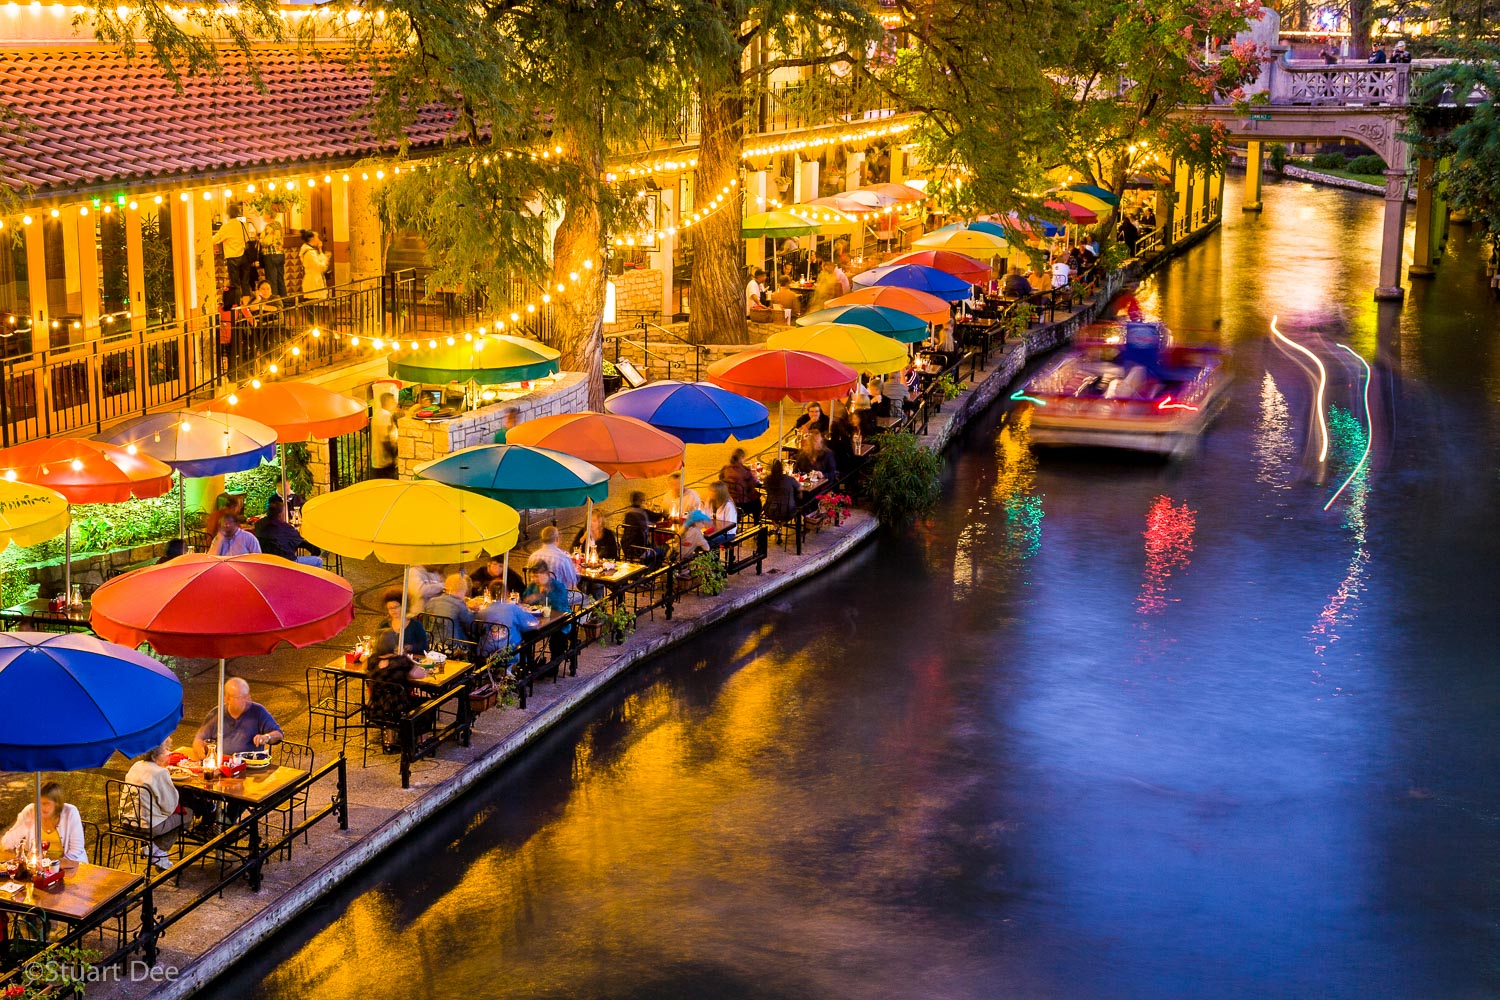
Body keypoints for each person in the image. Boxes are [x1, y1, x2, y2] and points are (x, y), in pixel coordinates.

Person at [120, 743, 189, 869]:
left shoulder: (136, 766)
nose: (169, 753)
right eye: (165, 750)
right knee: (187, 814)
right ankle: (157, 849)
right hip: (148, 824)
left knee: (174, 817)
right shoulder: (160, 772)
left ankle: (157, 852)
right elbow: (170, 807)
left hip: (127, 820)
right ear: (153, 756)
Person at [365, 630, 428, 752]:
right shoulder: (401, 662)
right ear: (394, 644)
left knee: (388, 698)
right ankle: (422, 742)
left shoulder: (372, 661)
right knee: (425, 704)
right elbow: (421, 674)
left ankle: (389, 741)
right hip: (399, 709)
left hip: (376, 708)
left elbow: (365, 670)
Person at [192, 678, 283, 757]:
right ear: (227, 699)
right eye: (240, 697)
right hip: (221, 765)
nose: (246, 700)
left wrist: (267, 737)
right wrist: (201, 751)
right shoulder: (216, 713)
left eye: (246, 696)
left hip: (249, 768)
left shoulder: (258, 711)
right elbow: (198, 739)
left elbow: (279, 734)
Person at [2, 781, 87, 863]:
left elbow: (76, 850)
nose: (41, 807)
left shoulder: (70, 812)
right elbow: (6, 843)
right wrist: (25, 824)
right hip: (37, 867)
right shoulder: (30, 811)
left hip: (69, 867)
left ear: (57, 804)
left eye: (46, 804)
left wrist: (51, 865)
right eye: (38, 803)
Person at [254, 496, 321, 566]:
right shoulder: (286, 528)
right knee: (318, 561)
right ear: (280, 514)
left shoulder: (259, 524)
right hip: (286, 563)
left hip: (267, 562)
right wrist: (315, 550)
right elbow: (299, 542)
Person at [213, 205, 257, 298]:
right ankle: (246, 306)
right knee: (245, 282)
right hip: (244, 256)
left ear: (227, 215)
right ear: (238, 213)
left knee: (235, 284)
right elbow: (247, 236)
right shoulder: (242, 224)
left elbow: (214, 240)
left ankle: (237, 305)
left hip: (233, 258)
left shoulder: (226, 227)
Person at [424, 573, 476, 640]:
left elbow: (425, 625)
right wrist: (475, 613)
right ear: (462, 590)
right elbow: (471, 627)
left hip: (431, 643)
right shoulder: (459, 605)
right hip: (454, 645)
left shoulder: (431, 601)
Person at [526, 525, 580, 590]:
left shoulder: (533, 556)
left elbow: (530, 579)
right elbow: (572, 582)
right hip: (557, 597)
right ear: (557, 539)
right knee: (586, 597)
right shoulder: (564, 558)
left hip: (537, 596)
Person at [380, 587, 429, 656]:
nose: (393, 610)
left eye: (395, 607)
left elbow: (424, 646)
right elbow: (379, 648)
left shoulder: (415, 625)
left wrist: (412, 647)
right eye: (390, 608)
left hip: (410, 661)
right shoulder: (384, 625)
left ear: (404, 606)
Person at [619, 491, 664, 564]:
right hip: (640, 549)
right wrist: (664, 511)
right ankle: (650, 572)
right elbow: (657, 517)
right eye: (643, 500)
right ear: (640, 501)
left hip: (626, 547)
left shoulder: (628, 512)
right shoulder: (642, 512)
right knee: (661, 552)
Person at [719, 449, 761, 521]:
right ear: (741, 458)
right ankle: (757, 523)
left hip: (728, 501)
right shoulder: (745, 471)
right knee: (757, 503)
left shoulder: (725, 469)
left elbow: (720, 480)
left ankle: (736, 519)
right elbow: (754, 484)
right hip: (742, 504)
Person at [371, 391, 399, 479]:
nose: (395, 404)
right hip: (385, 462)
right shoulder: (385, 416)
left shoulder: (378, 414)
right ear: (388, 402)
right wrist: (393, 457)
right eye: (393, 402)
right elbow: (385, 438)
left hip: (379, 460)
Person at [259, 217, 286, 297]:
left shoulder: (269, 227)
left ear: (268, 215)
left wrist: (260, 239)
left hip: (271, 255)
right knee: (280, 279)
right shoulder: (278, 224)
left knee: (272, 281)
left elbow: (266, 242)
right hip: (280, 254)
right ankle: (284, 301)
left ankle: (275, 303)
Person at [299, 229, 330, 300]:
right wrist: (326, 258)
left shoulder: (308, 249)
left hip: (314, 279)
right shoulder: (310, 253)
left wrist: (320, 249)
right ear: (312, 238)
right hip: (314, 282)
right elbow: (320, 267)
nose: (318, 239)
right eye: (317, 237)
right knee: (316, 303)